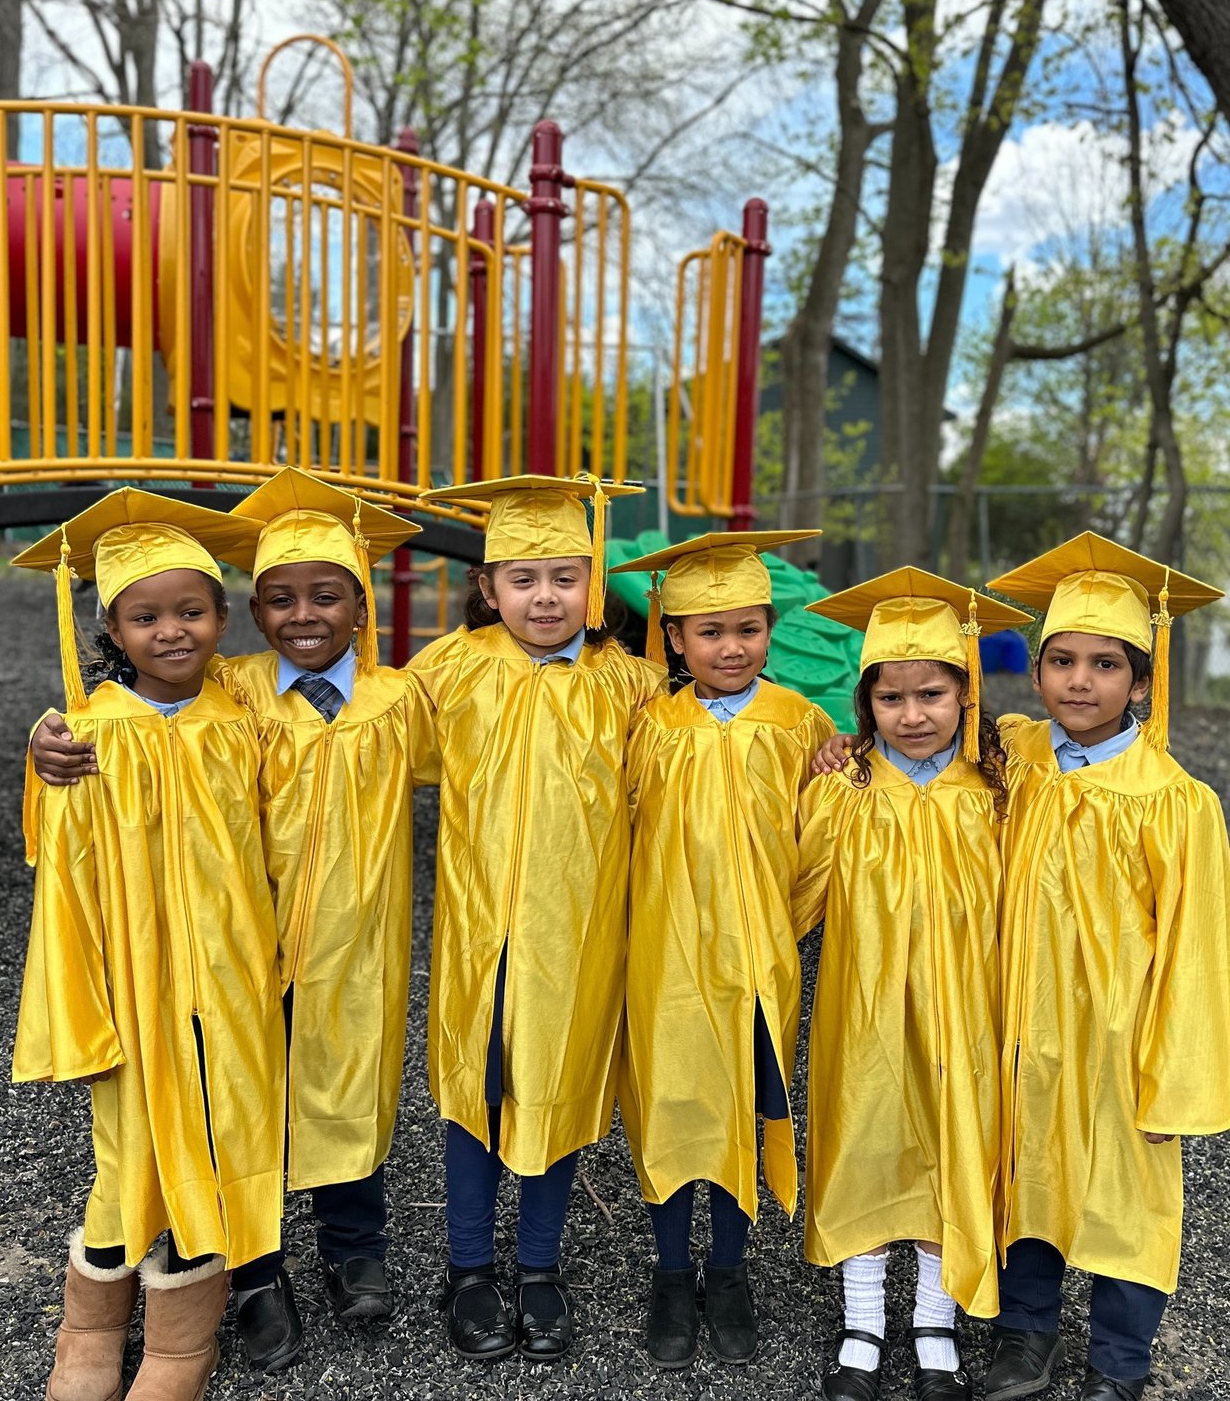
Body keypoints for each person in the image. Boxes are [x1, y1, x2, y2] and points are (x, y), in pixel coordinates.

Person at [30, 468, 439, 1373]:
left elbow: (503, 740)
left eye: (327, 595)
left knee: (345, 1080)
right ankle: (254, 1274)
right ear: (251, 611)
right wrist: (46, 739)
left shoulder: (404, 700)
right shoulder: (233, 691)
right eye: (279, 597)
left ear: (363, 604)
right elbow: (138, 720)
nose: (303, 615)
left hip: (349, 944)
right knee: (234, 1104)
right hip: (235, 947)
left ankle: (351, 1245)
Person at [10, 489, 281, 1401]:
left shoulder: (241, 716)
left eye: (193, 611)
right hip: (133, 986)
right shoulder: (85, 736)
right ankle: (90, 1326)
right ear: (113, 630)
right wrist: (39, 748)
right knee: (126, 1149)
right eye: (147, 616)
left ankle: (178, 1343)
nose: (173, 631)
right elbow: (59, 878)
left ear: (221, 618)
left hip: (232, 981)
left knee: (215, 1133)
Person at [979, 532, 1230, 1401]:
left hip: (1123, 1034)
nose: (1080, 681)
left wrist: (1178, 1078)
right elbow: (910, 743)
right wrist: (841, 756)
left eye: (1105, 664)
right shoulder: (1013, 759)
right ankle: (1026, 1336)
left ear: (1142, 681)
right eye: (1061, 660)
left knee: (1129, 1192)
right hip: (1022, 1021)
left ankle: (1121, 1361)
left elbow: (1198, 951)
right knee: (1030, 1171)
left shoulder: (1177, 800)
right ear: (1037, 669)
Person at [408, 473, 664, 1363]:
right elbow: (349, 739)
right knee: (474, 1092)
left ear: (594, 585)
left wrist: (836, 750)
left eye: (566, 576)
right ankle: (471, 1270)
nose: (546, 596)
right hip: (480, 931)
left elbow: (707, 765)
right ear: (487, 589)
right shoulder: (445, 671)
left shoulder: (632, 685)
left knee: (554, 1086)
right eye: (523, 579)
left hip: (577, 932)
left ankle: (540, 1270)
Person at [791, 567, 1032, 1401]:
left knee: (952, 1152)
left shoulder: (1001, 788)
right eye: (891, 700)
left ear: (967, 697)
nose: (914, 714)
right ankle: (863, 1323)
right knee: (864, 1151)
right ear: (865, 707)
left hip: (969, 1011)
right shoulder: (845, 789)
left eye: (933, 694)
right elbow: (796, 898)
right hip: (864, 1014)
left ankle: (935, 1322)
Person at [607, 529, 834, 1369]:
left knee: (746, 1102)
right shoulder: (648, 726)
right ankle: (672, 1277)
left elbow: (825, 839)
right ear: (672, 635)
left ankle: (730, 1274)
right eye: (710, 632)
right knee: (672, 1107)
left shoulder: (801, 723)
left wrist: (785, 923)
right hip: (663, 956)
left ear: (770, 630)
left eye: (748, 629)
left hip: (757, 959)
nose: (731, 648)